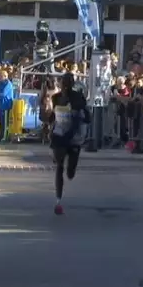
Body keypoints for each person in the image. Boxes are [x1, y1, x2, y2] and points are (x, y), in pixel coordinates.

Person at [48, 72, 91, 215]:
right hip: (59, 134)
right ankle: (58, 198)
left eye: (67, 83)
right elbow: (53, 116)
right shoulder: (55, 98)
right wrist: (49, 123)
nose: (65, 86)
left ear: (71, 84)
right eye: (63, 83)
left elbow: (85, 116)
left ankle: (71, 168)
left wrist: (79, 114)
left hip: (73, 135)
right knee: (59, 166)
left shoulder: (78, 97)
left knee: (70, 171)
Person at [0, 70, 14, 142]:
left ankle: (4, 138)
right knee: (0, 122)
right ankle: (1, 136)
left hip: (5, 105)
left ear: (5, 76)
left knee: (5, 123)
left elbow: (3, 94)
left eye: (1, 76)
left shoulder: (8, 84)